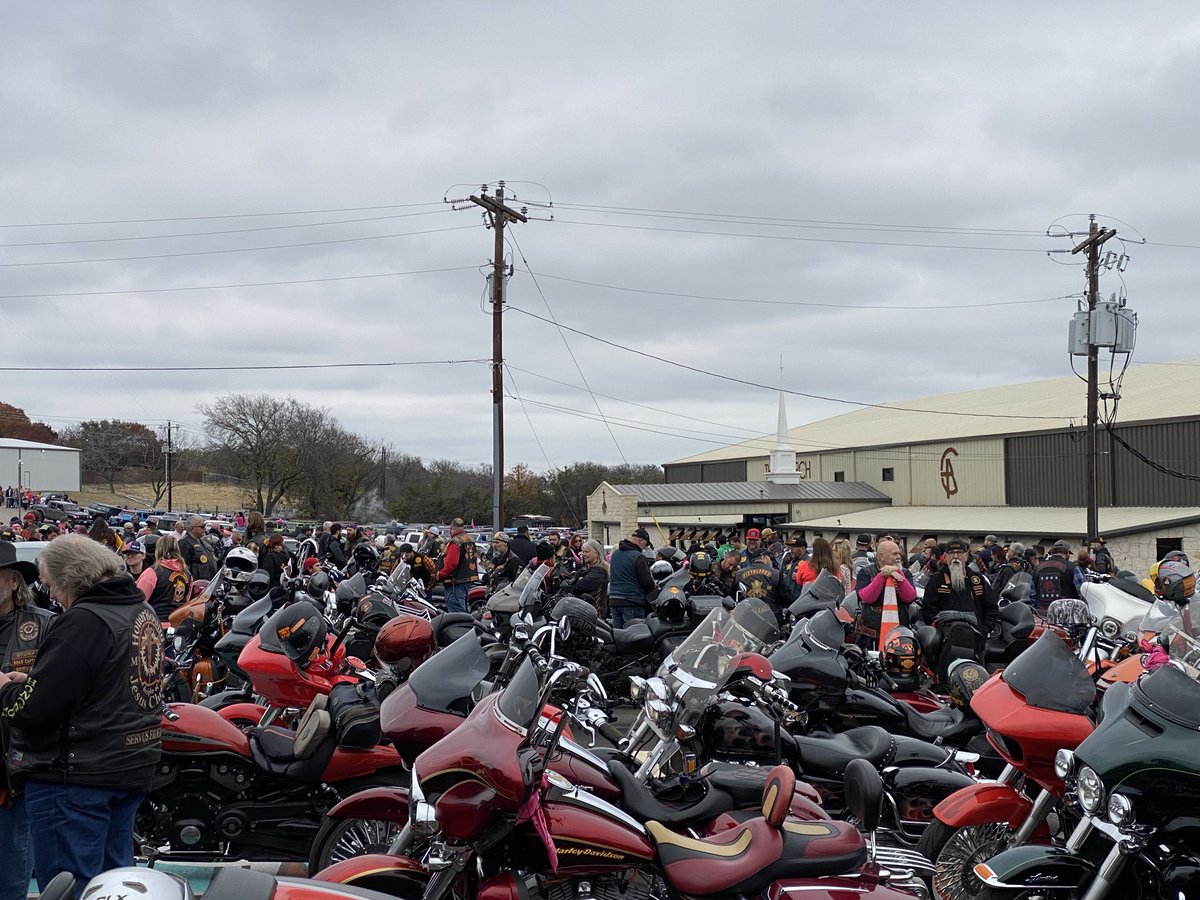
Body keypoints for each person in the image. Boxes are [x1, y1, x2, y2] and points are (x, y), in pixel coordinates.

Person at [0, 535, 162, 894]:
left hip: (76, 777)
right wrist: (34, 680)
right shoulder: (140, 610)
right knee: (113, 886)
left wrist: (5, 689)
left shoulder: (84, 620)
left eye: (51, 584)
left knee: (69, 887)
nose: (51, 594)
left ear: (69, 577)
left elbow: (34, 709)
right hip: (126, 767)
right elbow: (105, 684)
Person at [0, 542, 52, 900]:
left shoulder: (44, 625)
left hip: (15, 769)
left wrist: (24, 683)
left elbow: (60, 689)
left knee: (11, 872)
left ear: (14, 581)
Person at [921, 537, 999, 677]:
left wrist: (984, 629)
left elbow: (992, 609)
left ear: (966, 555)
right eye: (951, 553)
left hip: (975, 640)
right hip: (945, 642)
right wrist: (939, 631)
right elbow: (927, 611)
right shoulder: (937, 580)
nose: (955, 556)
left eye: (959, 552)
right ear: (946, 556)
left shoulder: (978, 580)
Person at [854, 538, 918, 647]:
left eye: (899, 553)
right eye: (894, 554)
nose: (898, 557)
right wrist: (882, 575)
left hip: (899, 634)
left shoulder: (905, 573)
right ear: (882, 557)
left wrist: (898, 575)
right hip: (870, 635)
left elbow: (910, 597)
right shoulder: (865, 572)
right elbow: (866, 597)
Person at [607, 528, 655, 628]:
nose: (644, 548)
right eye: (645, 545)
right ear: (641, 541)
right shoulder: (638, 557)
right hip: (632, 601)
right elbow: (647, 583)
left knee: (618, 634)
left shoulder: (615, 554)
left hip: (614, 600)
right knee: (634, 634)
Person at [143, 534, 191, 618]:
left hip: (155, 621)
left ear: (158, 550)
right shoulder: (187, 574)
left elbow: (140, 601)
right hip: (179, 621)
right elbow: (186, 600)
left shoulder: (152, 572)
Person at [736, 546, 791, 620]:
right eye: (770, 558)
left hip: (747, 616)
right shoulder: (775, 573)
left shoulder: (739, 574)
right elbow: (786, 596)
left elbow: (735, 596)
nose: (771, 561)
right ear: (763, 557)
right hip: (771, 617)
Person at [435, 519, 478, 614]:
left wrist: (440, 574)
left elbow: (451, 564)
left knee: (456, 614)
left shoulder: (455, 543)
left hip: (455, 583)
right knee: (462, 610)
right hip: (467, 580)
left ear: (451, 528)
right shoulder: (469, 539)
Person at [1032, 540, 1078, 611]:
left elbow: (1032, 594)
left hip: (1042, 613)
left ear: (1051, 552)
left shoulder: (1037, 568)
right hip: (1066, 613)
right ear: (1067, 552)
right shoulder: (1072, 567)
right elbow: (1082, 591)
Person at [569, 540, 609, 614]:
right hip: (583, 610)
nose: (584, 554)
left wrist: (578, 581)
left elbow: (580, 586)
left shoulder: (599, 571)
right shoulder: (586, 568)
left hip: (594, 612)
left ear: (596, 553)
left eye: (587, 552)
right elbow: (573, 578)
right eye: (583, 552)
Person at [178, 516, 218, 582]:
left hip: (209, 583)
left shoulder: (203, 542)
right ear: (192, 528)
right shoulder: (184, 543)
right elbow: (184, 569)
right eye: (202, 526)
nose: (204, 529)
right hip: (196, 585)